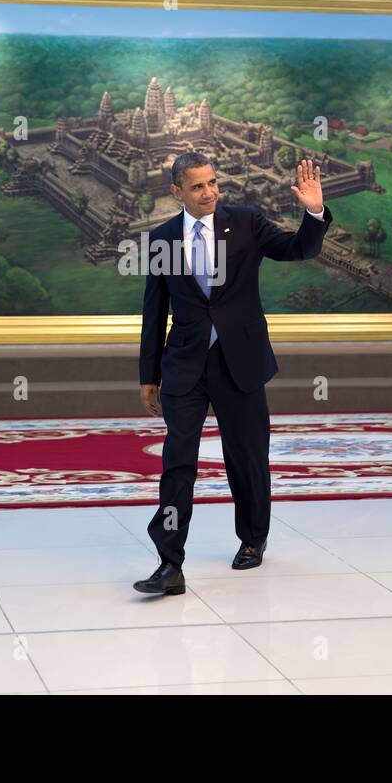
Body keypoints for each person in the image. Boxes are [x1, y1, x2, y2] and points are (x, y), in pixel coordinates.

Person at [134, 152, 331, 595]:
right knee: (177, 464)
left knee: (246, 456)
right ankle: (169, 562)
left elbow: (296, 249)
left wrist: (314, 212)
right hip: (184, 367)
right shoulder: (162, 238)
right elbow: (155, 311)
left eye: (212, 183)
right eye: (198, 186)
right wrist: (149, 374)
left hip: (239, 361)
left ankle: (253, 538)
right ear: (176, 192)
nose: (209, 192)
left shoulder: (246, 222)